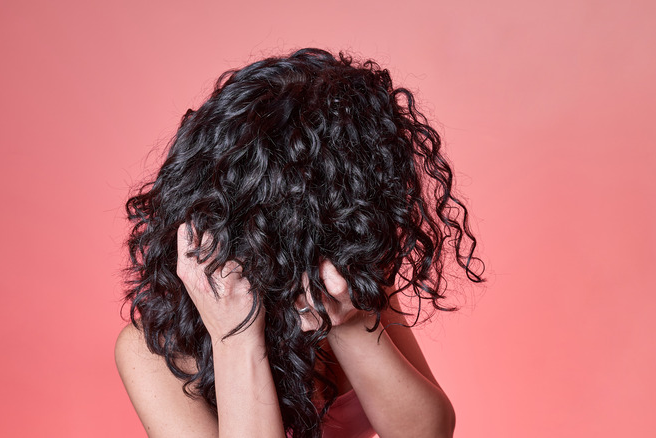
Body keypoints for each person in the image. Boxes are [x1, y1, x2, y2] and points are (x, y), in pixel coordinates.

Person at [114, 48, 483, 438]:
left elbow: (428, 433)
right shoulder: (149, 350)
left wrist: (346, 323)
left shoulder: (345, 279)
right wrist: (234, 338)